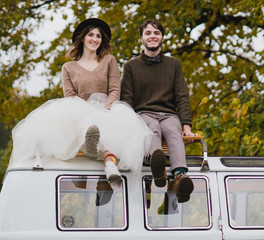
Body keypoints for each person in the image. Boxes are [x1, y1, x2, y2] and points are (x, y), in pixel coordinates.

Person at [10, 18, 152, 182]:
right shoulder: (68, 68)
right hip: (80, 111)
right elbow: (70, 96)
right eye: (90, 35)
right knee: (84, 127)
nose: (95, 39)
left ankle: (102, 154)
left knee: (116, 129)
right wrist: (87, 113)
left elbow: (114, 89)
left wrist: (106, 109)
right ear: (82, 38)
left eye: (98, 36)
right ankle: (107, 159)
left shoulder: (109, 60)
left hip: (108, 110)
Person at [121, 20, 196, 203]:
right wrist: (128, 124)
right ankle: (158, 167)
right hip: (143, 114)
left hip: (169, 114)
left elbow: (181, 96)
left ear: (162, 37)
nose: (152, 36)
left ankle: (180, 176)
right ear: (142, 39)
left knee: (173, 130)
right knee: (152, 127)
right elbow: (126, 100)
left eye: (156, 32)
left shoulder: (174, 64)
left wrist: (186, 125)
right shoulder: (131, 66)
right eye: (148, 33)